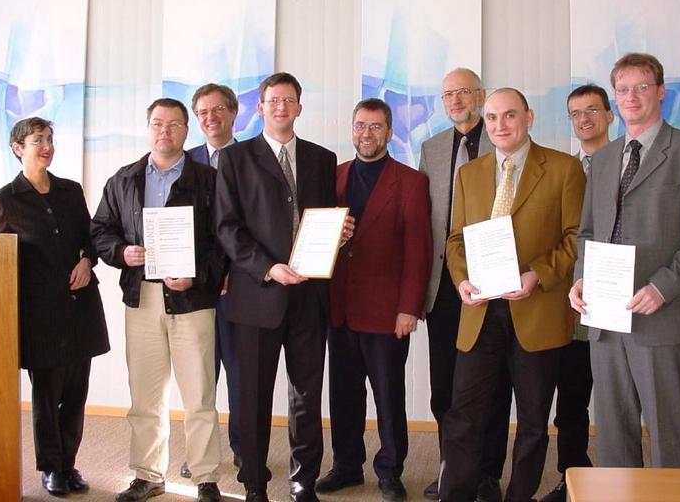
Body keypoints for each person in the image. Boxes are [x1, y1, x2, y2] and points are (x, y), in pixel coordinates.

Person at [569, 52, 680, 468]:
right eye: (623, 89)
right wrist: (581, 279)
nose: (631, 97)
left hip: (664, 314)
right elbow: (587, 233)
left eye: (641, 87)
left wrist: (662, 287)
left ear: (660, 92)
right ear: (615, 98)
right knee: (613, 428)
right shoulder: (602, 160)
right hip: (605, 316)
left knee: (665, 425)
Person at [439, 88, 585, 502]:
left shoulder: (564, 169)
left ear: (529, 117)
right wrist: (463, 279)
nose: (500, 125)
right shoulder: (470, 174)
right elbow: (455, 241)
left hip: (536, 311)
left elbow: (576, 239)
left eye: (509, 116)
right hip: (481, 311)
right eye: (491, 118)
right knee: (464, 414)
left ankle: (519, 496)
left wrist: (537, 275)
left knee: (534, 420)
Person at [215, 72, 353, 502]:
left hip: (309, 299)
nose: (280, 107)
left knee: (307, 399)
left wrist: (340, 233)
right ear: (260, 107)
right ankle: (255, 484)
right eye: (272, 100)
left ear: (299, 107)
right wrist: (268, 267)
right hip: (256, 297)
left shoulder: (321, 158)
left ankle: (303, 481)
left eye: (288, 100)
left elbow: (322, 220)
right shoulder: (234, 159)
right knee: (252, 398)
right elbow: (227, 228)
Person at [91, 98, 224, 502]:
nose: (164, 132)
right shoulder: (124, 179)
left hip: (192, 299)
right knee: (145, 394)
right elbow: (100, 229)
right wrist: (120, 253)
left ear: (187, 131)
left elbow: (225, 240)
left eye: (174, 125)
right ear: (148, 128)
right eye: (157, 124)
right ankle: (148, 475)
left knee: (200, 395)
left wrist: (197, 276)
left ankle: (205, 477)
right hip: (142, 297)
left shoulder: (209, 179)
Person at [316, 98, 432, 501]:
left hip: (387, 313)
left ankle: (390, 471)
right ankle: (347, 467)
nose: (367, 134)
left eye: (376, 127)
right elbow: (313, 240)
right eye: (361, 126)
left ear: (390, 132)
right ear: (352, 129)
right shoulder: (333, 177)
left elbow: (419, 250)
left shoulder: (411, 182)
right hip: (340, 309)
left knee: (388, 397)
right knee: (343, 396)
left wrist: (408, 308)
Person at [0, 117, 110, 497]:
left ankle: (69, 464)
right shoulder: (6, 199)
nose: (46, 145)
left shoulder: (71, 191)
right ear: (17, 148)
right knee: (46, 396)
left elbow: (91, 241)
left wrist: (87, 261)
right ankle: (50, 468)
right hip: (40, 316)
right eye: (38, 139)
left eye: (50, 139)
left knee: (75, 394)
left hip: (79, 310)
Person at [417, 68, 511, 502]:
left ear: (482, 95)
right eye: (447, 93)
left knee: (491, 388)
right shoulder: (432, 148)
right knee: (446, 389)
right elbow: (425, 224)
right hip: (446, 287)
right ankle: (450, 471)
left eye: (463, 92)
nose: (455, 100)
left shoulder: (505, 141)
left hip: (494, 285)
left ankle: (487, 475)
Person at [538, 84, 614, 502]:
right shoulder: (562, 169)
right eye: (574, 113)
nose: (583, 119)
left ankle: (627, 480)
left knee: (621, 403)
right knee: (570, 402)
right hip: (566, 306)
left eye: (592, 110)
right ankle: (571, 481)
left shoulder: (626, 163)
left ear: (609, 115)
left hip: (616, 302)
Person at [180, 83, 242, 479]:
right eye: (202, 112)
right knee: (199, 376)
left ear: (234, 112)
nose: (210, 118)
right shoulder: (183, 163)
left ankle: (242, 449)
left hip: (239, 286)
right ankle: (201, 453)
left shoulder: (251, 157)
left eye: (218, 109)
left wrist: (234, 271)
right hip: (197, 288)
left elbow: (255, 225)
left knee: (240, 373)